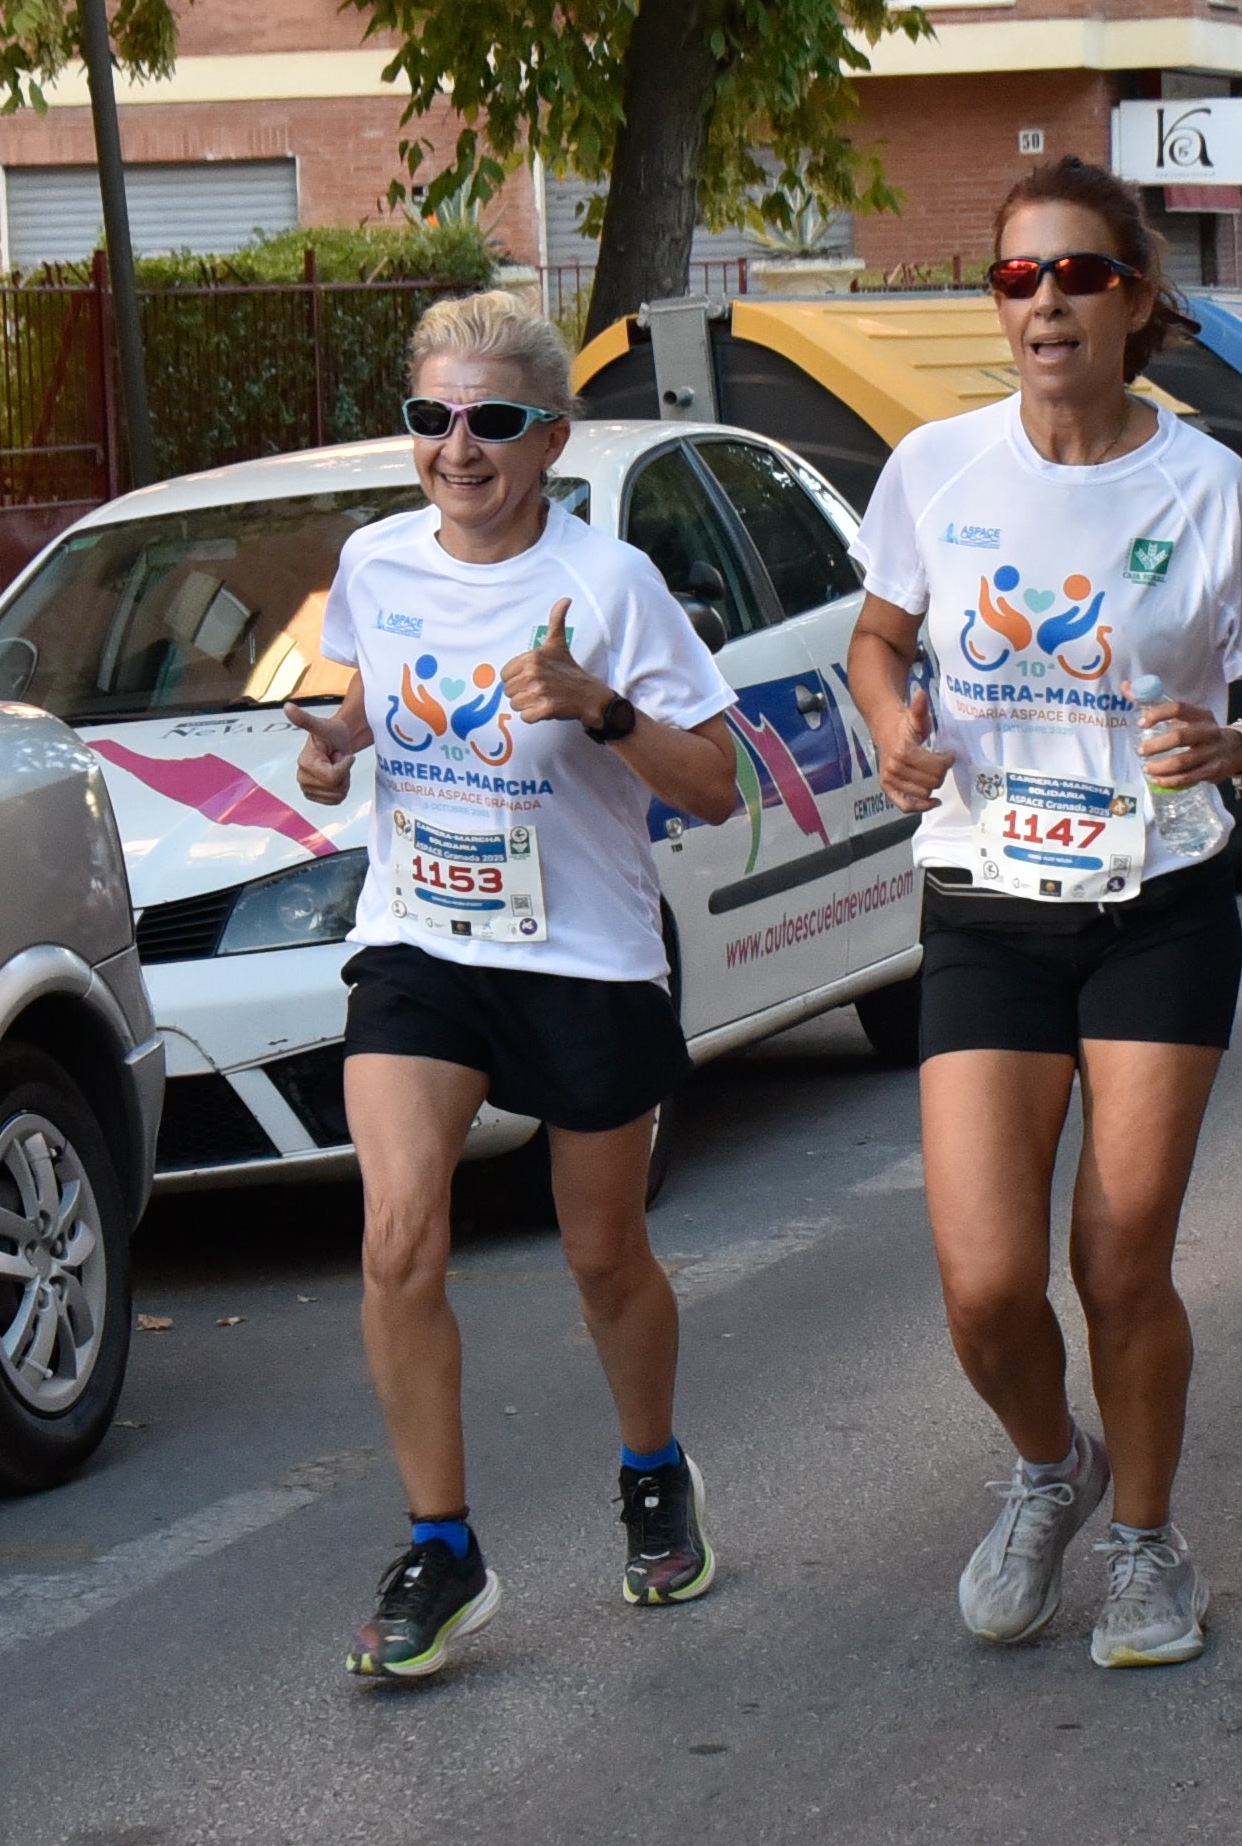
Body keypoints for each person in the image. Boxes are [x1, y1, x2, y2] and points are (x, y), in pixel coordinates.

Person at [844, 157, 1242, 1669]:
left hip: (1157, 901)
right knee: (986, 1284)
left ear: (1134, 300)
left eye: (1076, 275)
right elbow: (877, 641)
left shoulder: (1202, 484)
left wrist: (1238, 743)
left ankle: (1143, 1538)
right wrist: (889, 727)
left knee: (1119, 1258)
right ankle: (1047, 1467)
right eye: (1016, 278)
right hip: (986, 901)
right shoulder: (934, 467)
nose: (1044, 300)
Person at [286, 292, 744, 1678]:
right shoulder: (373, 561)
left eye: (491, 421)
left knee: (601, 1253)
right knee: (396, 1237)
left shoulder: (611, 586)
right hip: (422, 942)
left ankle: (653, 1466)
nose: (458, 448)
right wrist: (329, 753)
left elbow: (715, 786)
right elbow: (358, 708)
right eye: (432, 419)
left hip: (583, 954)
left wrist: (598, 706)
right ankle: (443, 1544)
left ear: (550, 436)